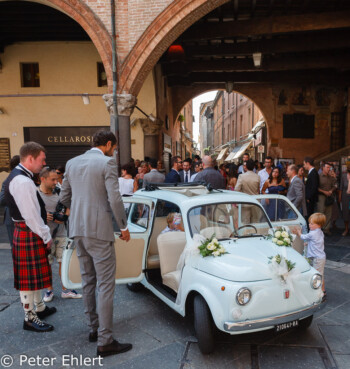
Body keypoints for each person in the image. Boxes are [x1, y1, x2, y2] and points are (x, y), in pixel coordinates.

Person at [60, 130, 132, 357]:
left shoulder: (71, 163)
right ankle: (105, 339)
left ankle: (93, 329)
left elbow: (63, 197)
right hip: (99, 231)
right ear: (109, 144)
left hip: (77, 229)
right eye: (115, 147)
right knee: (106, 285)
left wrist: (77, 210)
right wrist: (123, 226)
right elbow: (115, 197)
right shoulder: (107, 163)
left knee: (88, 281)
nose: (115, 151)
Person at [3, 142, 56, 332]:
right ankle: (29, 317)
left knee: (32, 277)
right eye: (42, 160)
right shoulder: (22, 181)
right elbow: (31, 215)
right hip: (29, 231)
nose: (44, 163)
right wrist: (45, 235)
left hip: (26, 231)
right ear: (31, 158)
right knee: (28, 279)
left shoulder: (22, 176)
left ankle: (39, 308)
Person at [38, 167, 81, 302]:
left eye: (57, 179)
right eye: (53, 179)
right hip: (45, 235)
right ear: (43, 179)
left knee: (64, 262)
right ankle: (49, 290)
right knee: (47, 264)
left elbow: (69, 207)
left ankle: (65, 289)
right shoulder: (35, 194)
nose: (56, 182)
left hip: (61, 233)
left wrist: (62, 217)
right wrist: (44, 217)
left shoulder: (59, 191)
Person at [295, 213, 326, 298]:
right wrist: (308, 243)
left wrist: (299, 232)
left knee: (318, 275)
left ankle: (321, 291)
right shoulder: (319, 232)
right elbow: (316, 241)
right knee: (320, 274)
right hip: (320, 257)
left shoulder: (313, 233)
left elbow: (303, 237)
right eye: (309, 223)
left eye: (312, 224)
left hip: (318, 258)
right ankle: (322, 289)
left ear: (319, 225)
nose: (309, 225)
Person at [0, 155, 20, 247]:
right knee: (15, 247)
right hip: (12, 218)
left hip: (25, 219)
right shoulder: (8, 180)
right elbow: (2, 200)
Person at [317, 162, 336, 236]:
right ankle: (319, 229)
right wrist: (324, 192)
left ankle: (326, 229)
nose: (329, 169)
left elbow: (335, 185)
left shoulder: (331, 176)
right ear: (323, 168)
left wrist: (331, 190)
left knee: (329, 213)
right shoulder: (319, 176)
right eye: (327, 167)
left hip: (329, 196)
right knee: (321, 212)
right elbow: (316, 187)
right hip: (321, 196)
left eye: (329, 168)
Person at [339, 165, 350, 236]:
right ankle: (346, 229)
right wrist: (339, 197)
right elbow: (341, 187)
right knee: (346, 213)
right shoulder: (344, 176)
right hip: (345, 197)